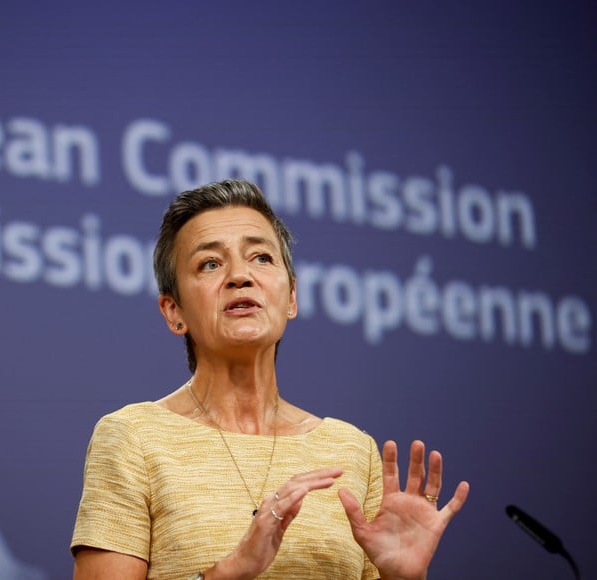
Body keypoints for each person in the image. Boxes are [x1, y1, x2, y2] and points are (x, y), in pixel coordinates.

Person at [71, 179, 469, 579]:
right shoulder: (133, 438)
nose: (240, 276)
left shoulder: (352, 452)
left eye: (261, 257)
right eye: (210, 264)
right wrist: (232, 571)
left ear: (291, 297)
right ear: (173, 311)